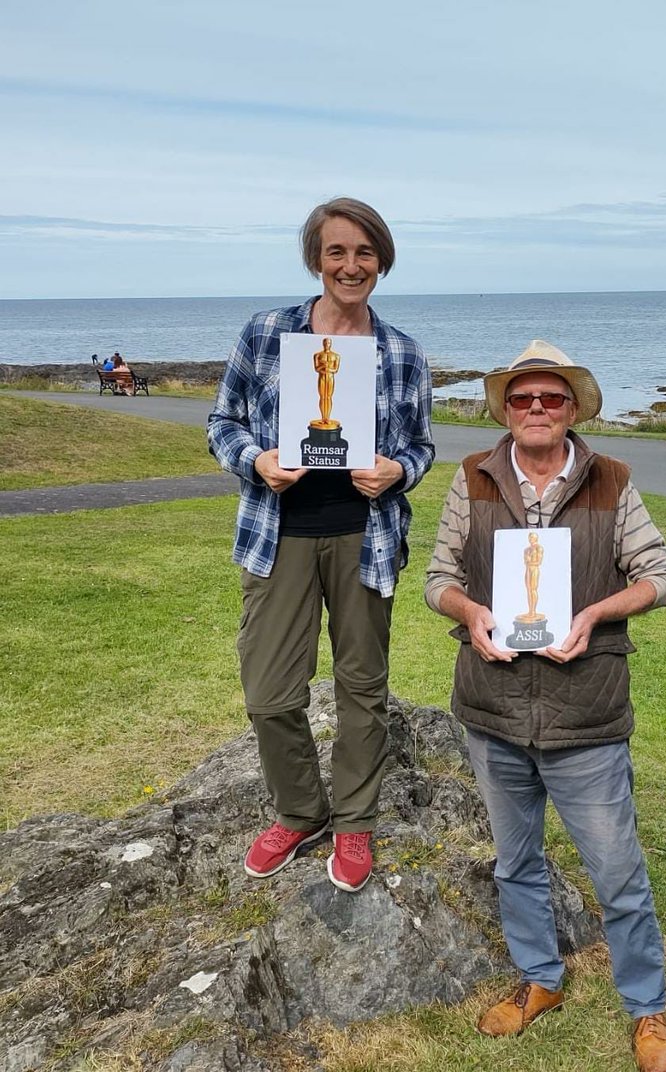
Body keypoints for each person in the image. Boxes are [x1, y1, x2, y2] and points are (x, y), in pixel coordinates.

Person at [425, 341, 666, 1072]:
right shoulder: (470, 478)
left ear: (573, 409)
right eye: (523, 399)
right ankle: (540, 980)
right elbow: (437, 576)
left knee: (618, 873)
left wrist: (598, 612)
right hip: (493, 706)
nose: (536, 409)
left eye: (552, 399)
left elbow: (660, 577)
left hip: (585, 711)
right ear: (505, 408)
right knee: (515, 863)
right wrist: (470, 612)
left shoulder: (614, 481)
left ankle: (647, 1008)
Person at [207, 197, 434, 894]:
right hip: (280, 537)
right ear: (316, 259)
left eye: (365, 252)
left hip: (365, 537)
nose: (351, 265)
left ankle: (356, 821)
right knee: (271, 693)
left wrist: (399, 471)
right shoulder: (267, 332)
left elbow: (422, 446)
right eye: (337, 252)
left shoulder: (401, 351)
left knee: (363, 689)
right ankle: (301, 810)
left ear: (382, 262)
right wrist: (256, 460)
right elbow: (222, 420)